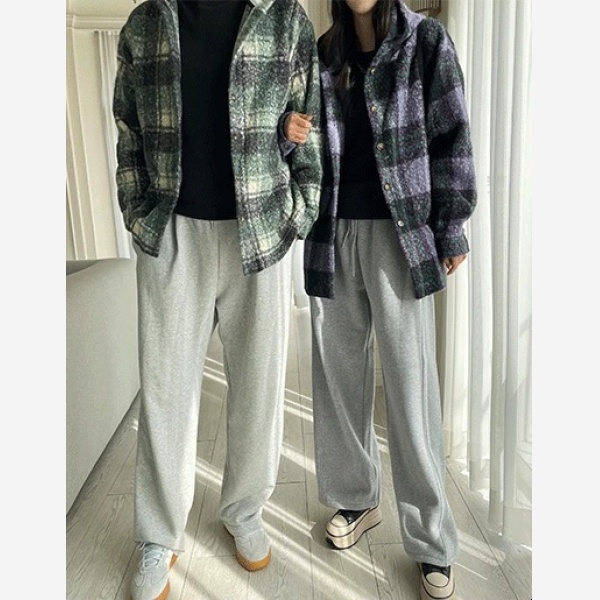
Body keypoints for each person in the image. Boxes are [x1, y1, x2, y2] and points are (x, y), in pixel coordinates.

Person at [112, 1, 322, 598]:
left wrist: (299, 213)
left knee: (259, 387)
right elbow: (127, 129)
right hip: (173, 234)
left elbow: (311, 126)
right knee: (165, 391)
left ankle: (245, 510)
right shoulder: (146, 22)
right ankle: (158, 536)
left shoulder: (286, 19)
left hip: (259, 233)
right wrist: (138, 213)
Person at [294, 1, 476, 598]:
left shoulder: (426, 42)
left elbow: (452, 135)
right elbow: (302, 143)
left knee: (410, 386)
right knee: (338, 377)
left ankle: (431, 539)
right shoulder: (323, 53)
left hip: (400, 236)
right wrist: (287, 137)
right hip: (331, 232)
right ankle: (355, 498)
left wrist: (451, 227)